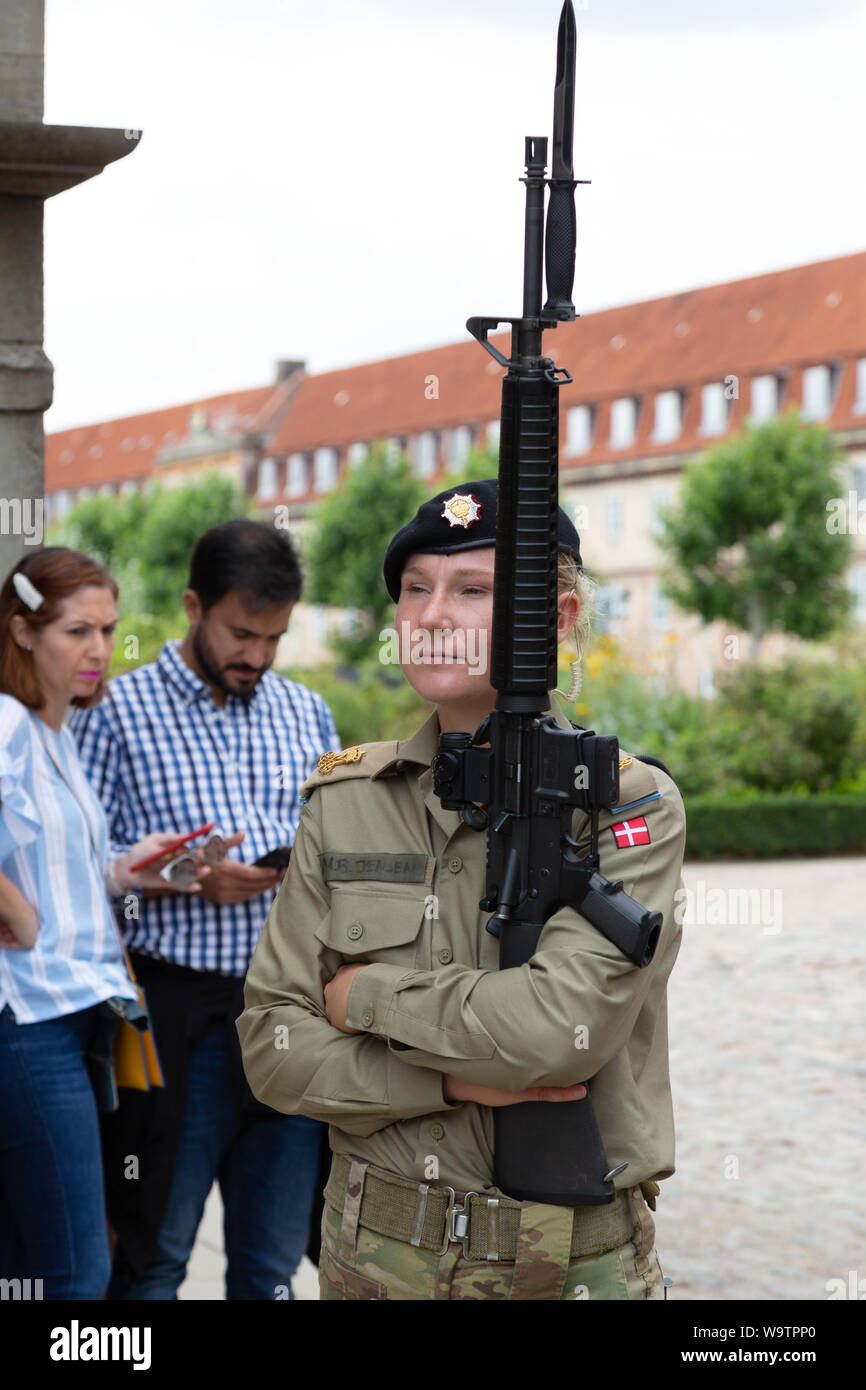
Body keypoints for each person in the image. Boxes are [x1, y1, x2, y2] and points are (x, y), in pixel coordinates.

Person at [238, 479, 687, 1301]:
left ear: (554, 622)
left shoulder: (624, 804)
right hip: (372, 1255)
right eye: (416, 589)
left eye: (473, 590)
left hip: (566, 1267)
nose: (432, 616)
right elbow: (271, 1046)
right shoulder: (346, 801)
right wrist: (445, 1081)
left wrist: (362, 995)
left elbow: (560, 1031)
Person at [69, 518, 339, 1301]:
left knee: (272, 1266)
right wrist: (179, 876)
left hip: (287, 1011)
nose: (256, 655)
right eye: (240, 633)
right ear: (193, 606)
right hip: (172, 1014)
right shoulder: (115, 710)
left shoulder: (305, 712)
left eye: (274, 637)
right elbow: (79, 867)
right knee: (154, 1257)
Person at [0, 548, 208, 1300]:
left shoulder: (55, 734)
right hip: (30, 1018)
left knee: (30, 1261)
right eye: (77, 632)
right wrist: (12, 906)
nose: (99, 653)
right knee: (78, 1270)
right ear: (23, 632)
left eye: (108, 630)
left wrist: (128, 871)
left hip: (81, 1010)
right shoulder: (7, 723)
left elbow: (50, 863)